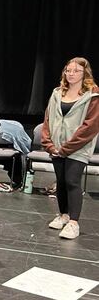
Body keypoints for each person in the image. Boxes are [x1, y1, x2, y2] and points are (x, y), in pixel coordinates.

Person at [41, 57, 99, 240]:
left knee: (72, 180)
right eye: (68, 70)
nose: (71, 74)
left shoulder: (92, 94)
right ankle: (63, 215)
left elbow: (90, 126)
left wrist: (66, 148)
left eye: (76, 71)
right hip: (56, 147)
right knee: (61, 181)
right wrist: (49, 144)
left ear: (85, 73)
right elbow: (48, 119)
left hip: (77, 147)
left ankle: (74, 222)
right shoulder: (57, 92)